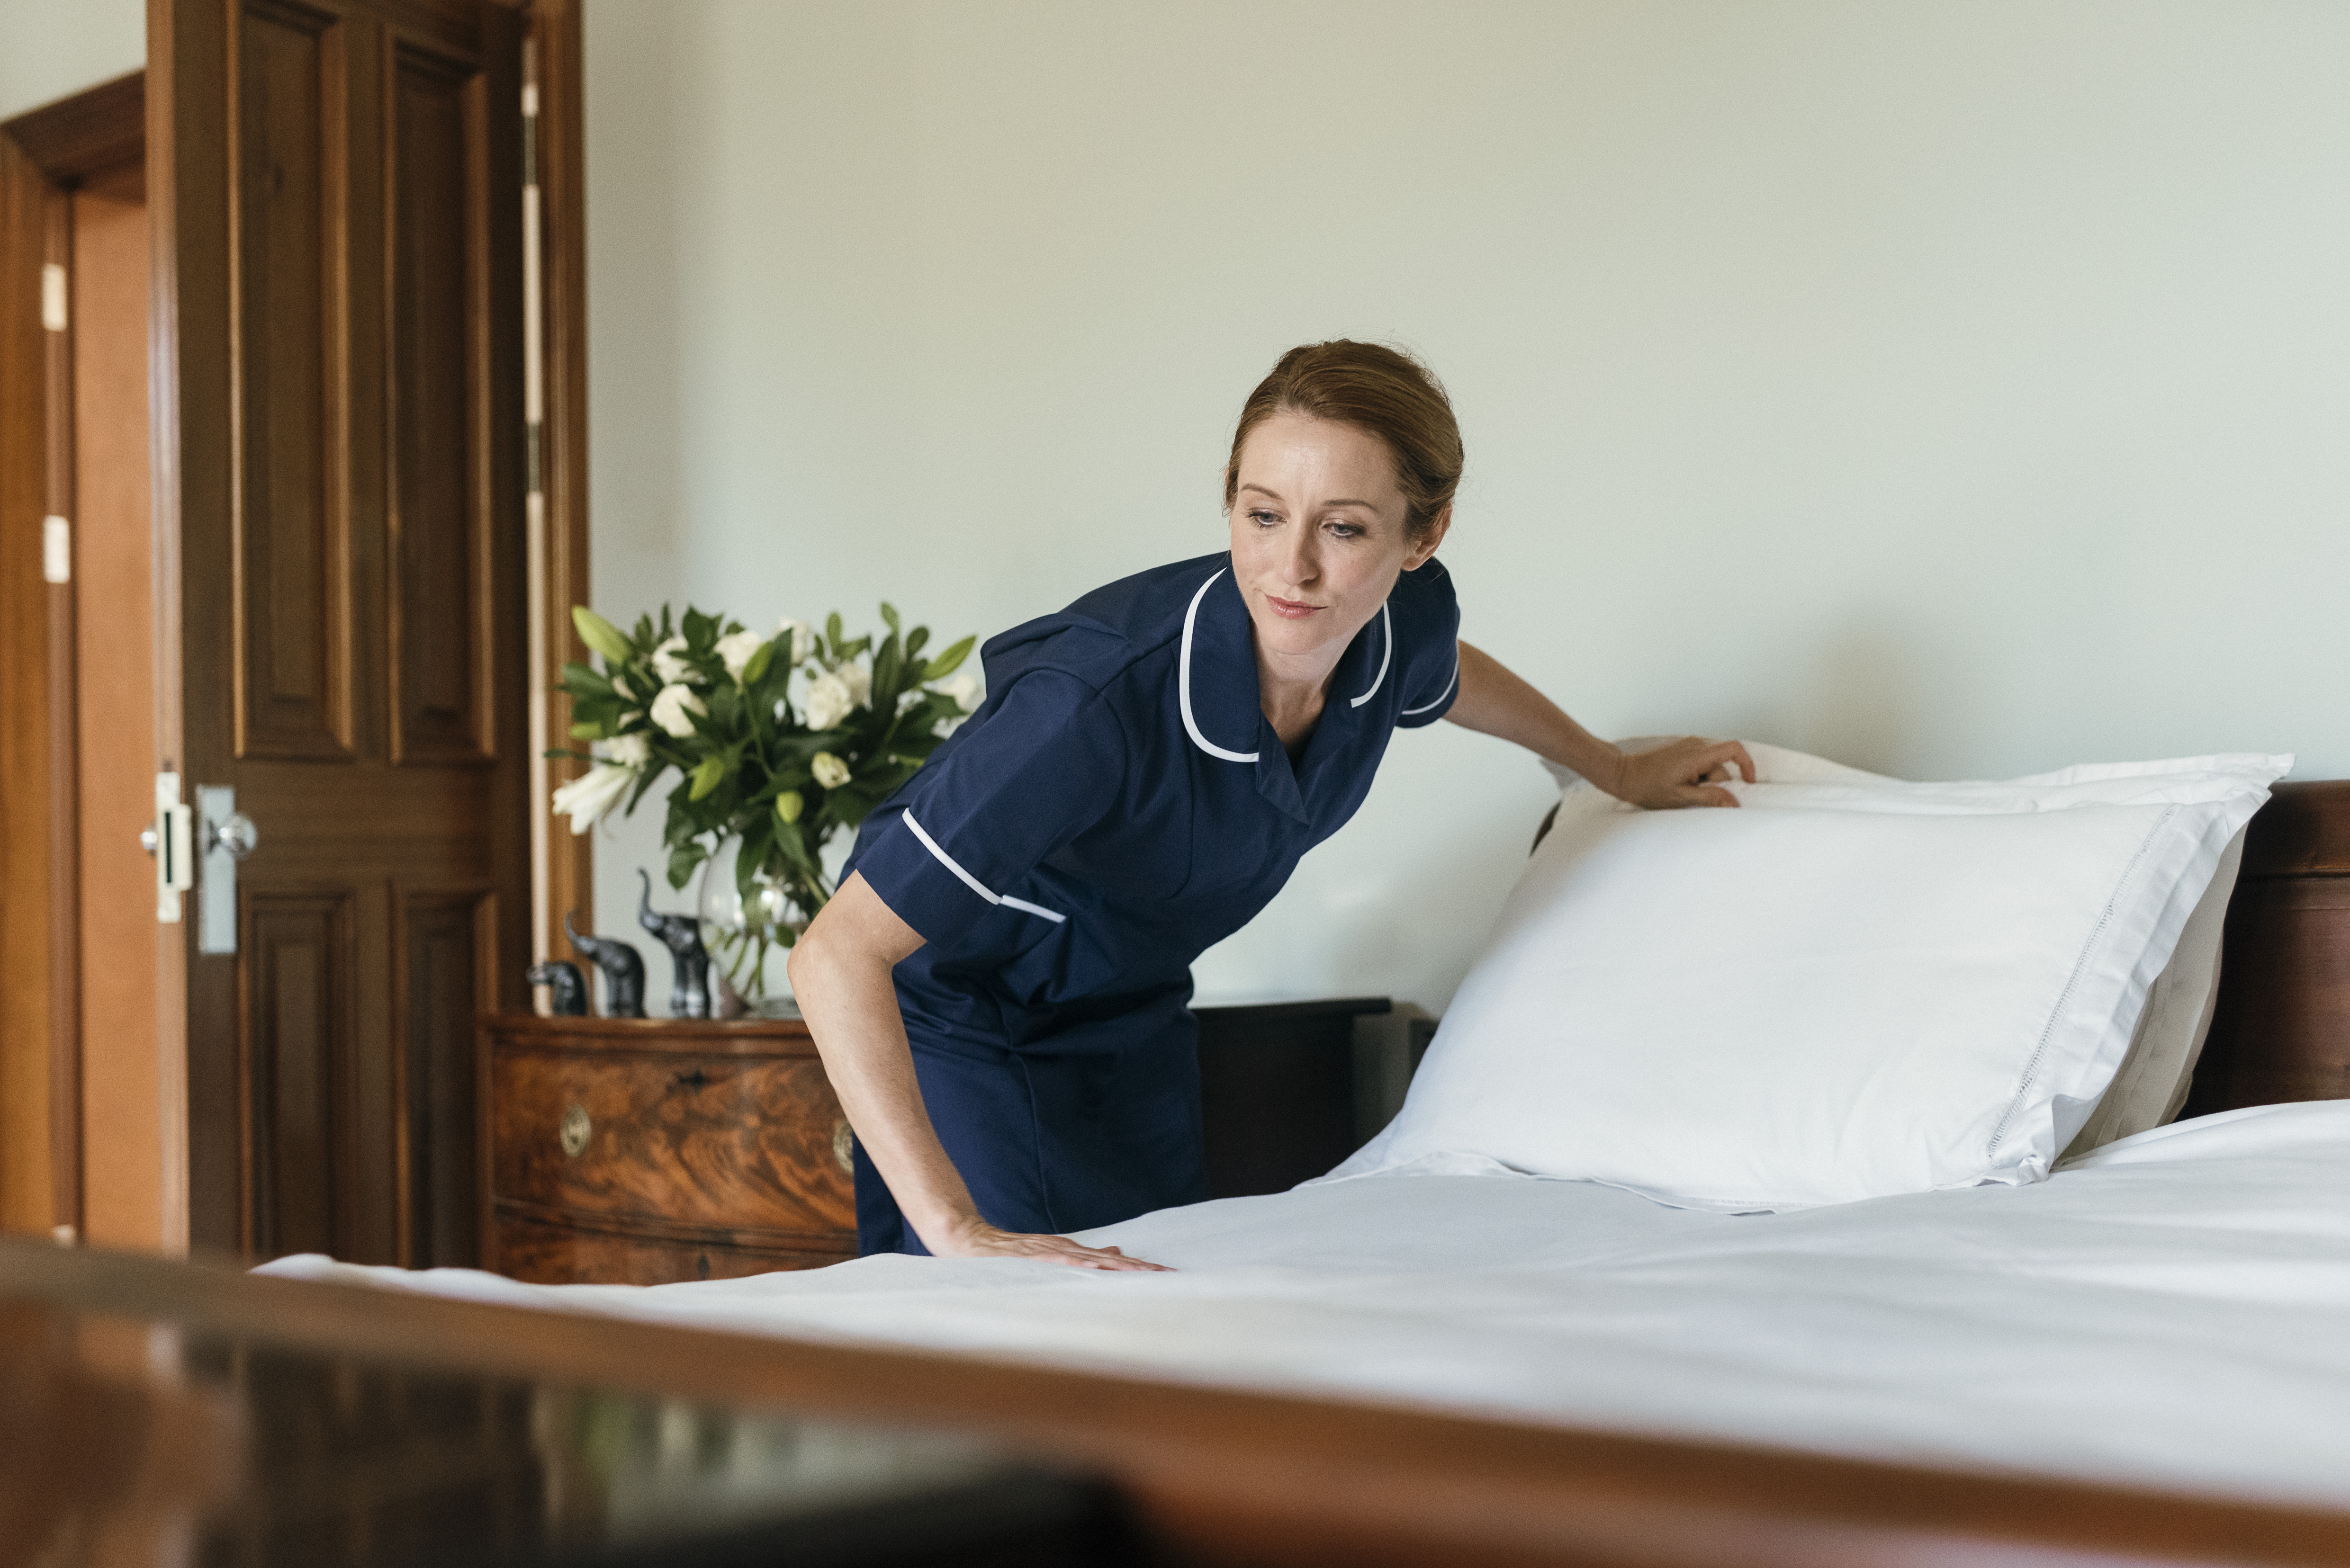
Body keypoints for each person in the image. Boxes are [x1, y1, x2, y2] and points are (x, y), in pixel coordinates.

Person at [788, 340, 1753, 1272]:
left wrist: (1609, 770)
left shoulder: (1388, 629)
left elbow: (1447, 676)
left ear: (1426, 535)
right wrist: (955, 1229)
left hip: (1132, 1008)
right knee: (1024, 1314)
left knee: (1170, 1290)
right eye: (1262, 514)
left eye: (1342, 529)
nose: (1289, 570)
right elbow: (835, 953)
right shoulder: (1088, 708)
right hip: (966, 1010)